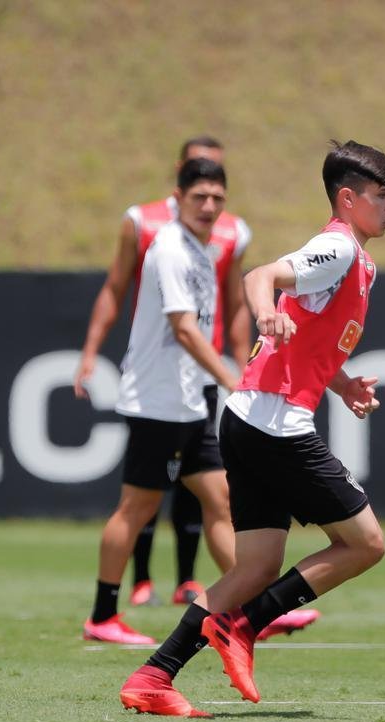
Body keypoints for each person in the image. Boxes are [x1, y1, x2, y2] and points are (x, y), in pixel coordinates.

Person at [118, 140, 385, 717]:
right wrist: (265, 306)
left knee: (255, 567)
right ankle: (243, 627)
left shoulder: (354, 256)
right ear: (349, 200)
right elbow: (261, 273)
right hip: (274, 423)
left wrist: (341, 384)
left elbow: (310, 330)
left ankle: (154, 677)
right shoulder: (338, 248)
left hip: (248, 417)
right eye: (383, 195)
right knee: (365, 543)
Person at [74, 136, 250, 609]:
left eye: (217, 198)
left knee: (220, 502)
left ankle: (249, 609)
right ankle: (105, 613)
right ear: (177, 198)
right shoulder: (170, 247)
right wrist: (235, 378)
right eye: (199, 197)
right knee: (138, 508)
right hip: (160, 399)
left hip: (190, 398)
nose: (209, 207)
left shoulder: (202, 249)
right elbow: (186, 331)